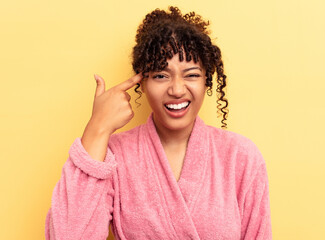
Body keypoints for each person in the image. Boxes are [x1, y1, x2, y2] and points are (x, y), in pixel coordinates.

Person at [45, 6, 272, 240]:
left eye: (191, 74)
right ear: (142, 83)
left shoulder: (241, 157)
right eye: (161, 76)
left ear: (207, 81)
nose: (176, 89)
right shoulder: (113, 155)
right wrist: (97, 128)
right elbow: (68, 235)